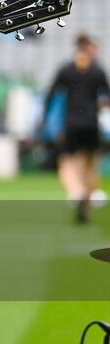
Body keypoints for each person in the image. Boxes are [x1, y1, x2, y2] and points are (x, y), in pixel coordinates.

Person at [43, 33, 109, 223]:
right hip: (92, 123)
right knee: (90, 162)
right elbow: (107, 96)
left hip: (71, 123)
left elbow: (51, 93)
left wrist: (45, 118)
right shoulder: (97, 70)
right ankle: (87, 203)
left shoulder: (67, 69)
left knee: (65, 160)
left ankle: (76, 191)